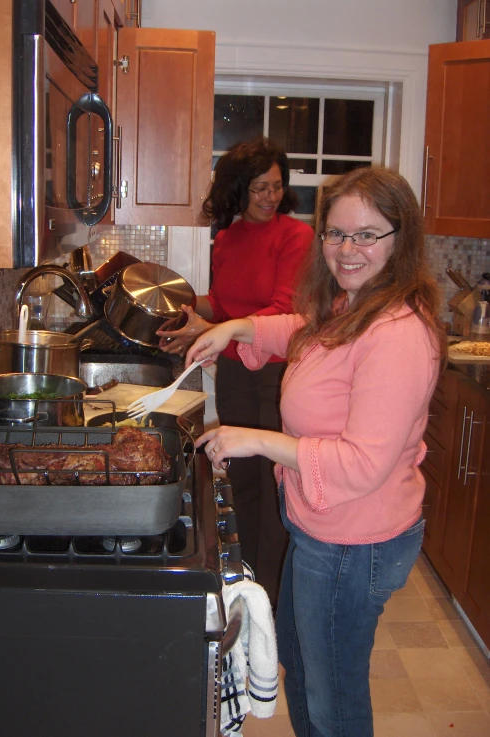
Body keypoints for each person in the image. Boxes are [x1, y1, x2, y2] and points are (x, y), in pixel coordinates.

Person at [185, 166, 447, 737]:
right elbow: (302, 330)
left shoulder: (399, 332)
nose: (346, 249)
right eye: (335, 233)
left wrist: (256, 441)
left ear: (400, 240)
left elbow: (361, 463)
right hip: (324, 529)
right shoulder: (354, 305)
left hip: (355, 543)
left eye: (366, 234)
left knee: (334, 696)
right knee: (302, 663)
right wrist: (240, 329)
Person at [158, 138, 313, 607]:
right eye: (259, 188)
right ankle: (244, 581)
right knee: (240, 478)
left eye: (276, 187)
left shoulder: (295, 237)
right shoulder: (226, 237)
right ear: (237, 191)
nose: (269, 196)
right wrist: (179, 306)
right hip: (234, 374)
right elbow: (223, 304)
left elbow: (284, 308)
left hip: (277, 374)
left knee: (275, 484)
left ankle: (274, 591)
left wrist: (222, 327)